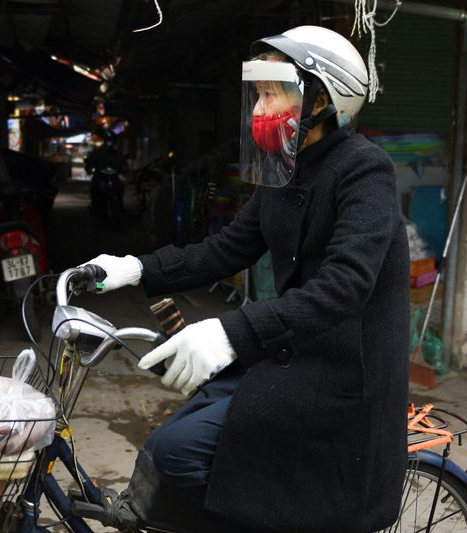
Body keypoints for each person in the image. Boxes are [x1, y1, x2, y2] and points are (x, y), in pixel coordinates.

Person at [84, 25, 409, 532]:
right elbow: (227, 248)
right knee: (166, 445)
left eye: (273, 92)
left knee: (179, 454)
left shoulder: (365, 171)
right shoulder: (286, 169)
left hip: (341, 370)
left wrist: (230, 332)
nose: (260, 108)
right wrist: (138, 268)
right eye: (258, 93)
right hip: (293, 353)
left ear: (322, 98)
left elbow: (344, 285)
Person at [84, 129, 128, 225]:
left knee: (120, 187)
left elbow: (123, 164)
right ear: (105, 140)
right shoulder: (98, 152)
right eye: (108, 140)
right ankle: (94, 205)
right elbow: (90, 162)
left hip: (113, 177)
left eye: (111, 140)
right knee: (94, 188)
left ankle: (120, 206)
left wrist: (124, 168)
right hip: (100, 176)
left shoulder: (117, 153)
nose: (110, 142)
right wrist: (89, 168)